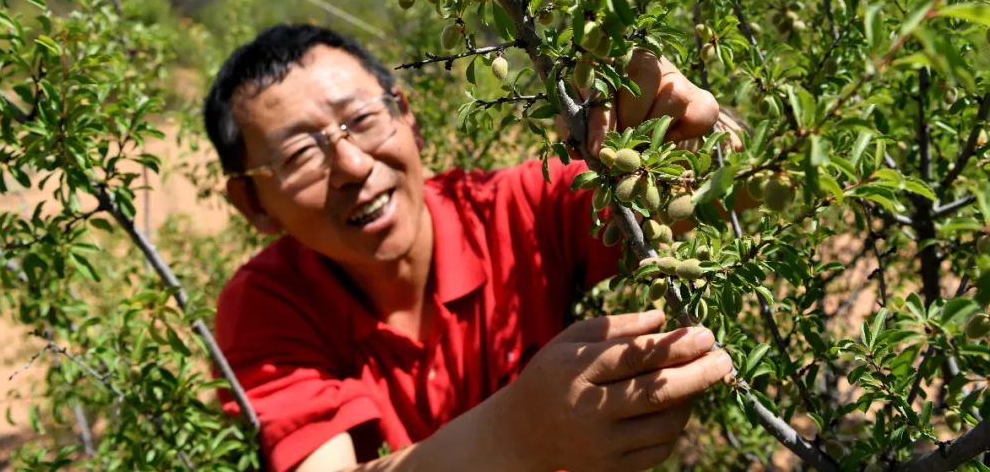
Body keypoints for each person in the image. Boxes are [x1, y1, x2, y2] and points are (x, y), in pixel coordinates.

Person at [204, 23, 733, 472]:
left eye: (363, 120)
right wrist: (518, 435)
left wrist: (687, 127)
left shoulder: (512, 210)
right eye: (299, 155)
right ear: (253, 203)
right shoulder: (266, 304)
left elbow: (729, 185)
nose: (353, 166)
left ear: (407, 116)